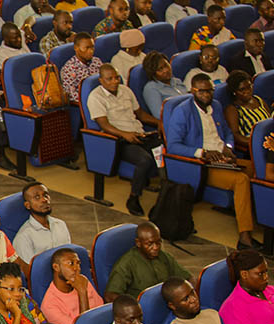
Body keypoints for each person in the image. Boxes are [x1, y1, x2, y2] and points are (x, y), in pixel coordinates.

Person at [167, 74, 257, 248]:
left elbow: (228, 132)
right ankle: (245, 236)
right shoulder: (182, 111)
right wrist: (203, 153)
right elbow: (172, 146)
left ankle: (255, 216)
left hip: (223, 155)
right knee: (241, 180)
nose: (207, 95)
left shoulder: (215, 105)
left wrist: (228, 147)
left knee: (256, 169)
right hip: (203, 165)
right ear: (193, 91)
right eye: (202, 91)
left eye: (210, 91)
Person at [87, 63, 165, 216]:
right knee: (144, 160)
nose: (115, 81)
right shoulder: (96, 97)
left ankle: (165, 192)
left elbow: (141, 115)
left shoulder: (126, 91)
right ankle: (134, 197)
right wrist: (124, 134)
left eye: (116, 77)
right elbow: (104, 124)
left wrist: (160, 123)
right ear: (101, 81)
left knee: (163, 150)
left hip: (139, 134)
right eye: (109, 79)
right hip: (118, 141)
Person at [105, 222, 189, 302]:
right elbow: (110, 296)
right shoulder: (126, 264)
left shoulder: (164, 256)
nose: (155, 247)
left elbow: (188, 277)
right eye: (150, 244)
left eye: (158, 242)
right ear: (138, 243)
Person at [40, 247, 103, 324]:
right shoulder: (49, 305)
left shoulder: (83, 281)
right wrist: (82, 293)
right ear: (56, 267)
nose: (76, 268)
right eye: (71, 264)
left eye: (78, 263)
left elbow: (101, 311)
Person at [220, 249, 274, 324]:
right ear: (244, 274)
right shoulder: (233, 308)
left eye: (266, 272)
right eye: (260, 274)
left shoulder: (269, 290)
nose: (266, 277)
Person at [11, 182, 71, 263]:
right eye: (37, 197)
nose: (44, 200)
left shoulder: (60, 224)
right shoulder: (23, 237)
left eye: (46, 195)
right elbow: (30, 270)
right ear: (27, 205)